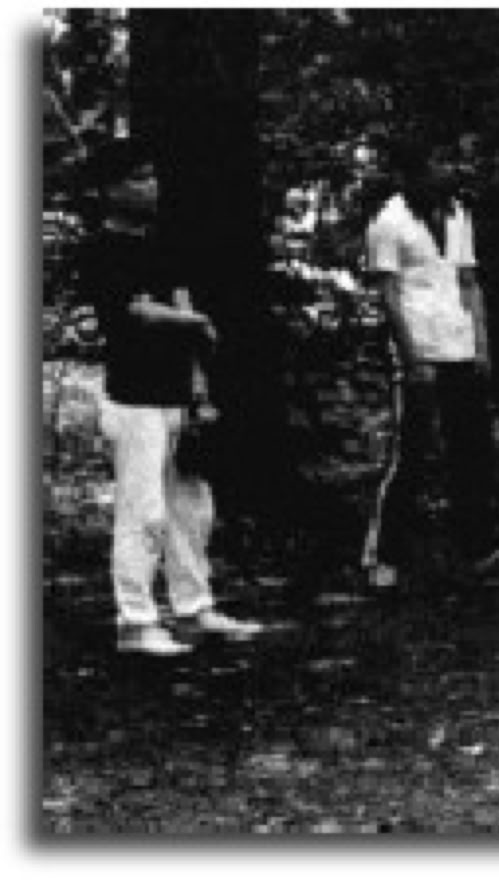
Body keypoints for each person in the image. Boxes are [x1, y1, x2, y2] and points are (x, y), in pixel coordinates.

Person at [80, 137, 263, 655]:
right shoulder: (102, 250)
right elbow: (133, 310)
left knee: (192, 507)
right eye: (138, 177)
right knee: (144, 509)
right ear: (110, 188)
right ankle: (135, 621)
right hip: (134, 396)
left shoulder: (164, 245)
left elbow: (179, 308)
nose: (151, 186)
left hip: (176, 393)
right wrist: (194, 320)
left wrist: (200, 389)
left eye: (153, 175)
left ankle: (193, 607)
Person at [360, 136, 499, 589]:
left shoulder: (458, 213)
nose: (448, 170)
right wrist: (412, 357)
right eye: (438, 160)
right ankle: (383, 556)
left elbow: (469, 281)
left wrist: (482, 345)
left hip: (459, 347)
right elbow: (389, 295)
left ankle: (478, 548)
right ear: (413, 171)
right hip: (420, 352)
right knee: (410, 455)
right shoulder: (389, 221)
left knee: (472, 451)